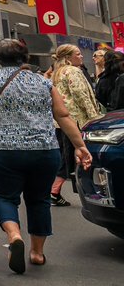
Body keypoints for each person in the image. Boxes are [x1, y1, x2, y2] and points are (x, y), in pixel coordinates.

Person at [0, 39, 93, 274]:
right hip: (44, 150)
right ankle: (37, 253)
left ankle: (14, 236)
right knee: (39, 200)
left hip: (3, 151)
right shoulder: (43, 82)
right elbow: (63, 115)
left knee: (4, 197)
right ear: (25, 58)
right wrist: (80, 145)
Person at [49, 44, 103, 205]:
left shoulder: (56, 73)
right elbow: (81, 95)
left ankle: (54, 191)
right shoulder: (73, 71)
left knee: (66, 158)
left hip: (61, 122)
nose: (81, 57)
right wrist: (95, 117)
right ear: (68, 57)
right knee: (85, 155)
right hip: (78, 121)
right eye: (78, 54)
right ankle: (91, 190)